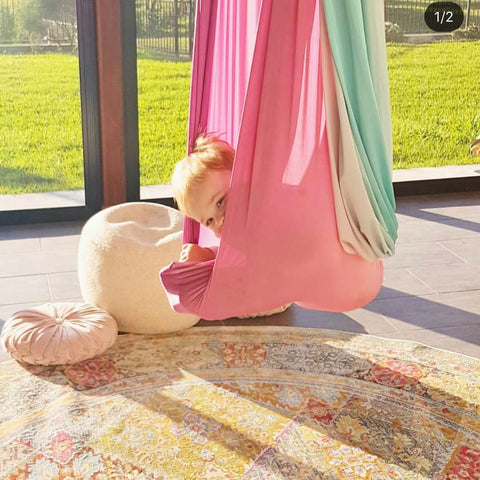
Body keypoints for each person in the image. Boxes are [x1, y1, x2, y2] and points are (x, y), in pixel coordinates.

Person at [171, 133, 234, 262]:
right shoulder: (234, 238)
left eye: (220, 202)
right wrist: (207, 255)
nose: (219, 220)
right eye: (209, 221)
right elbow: (231, 254)